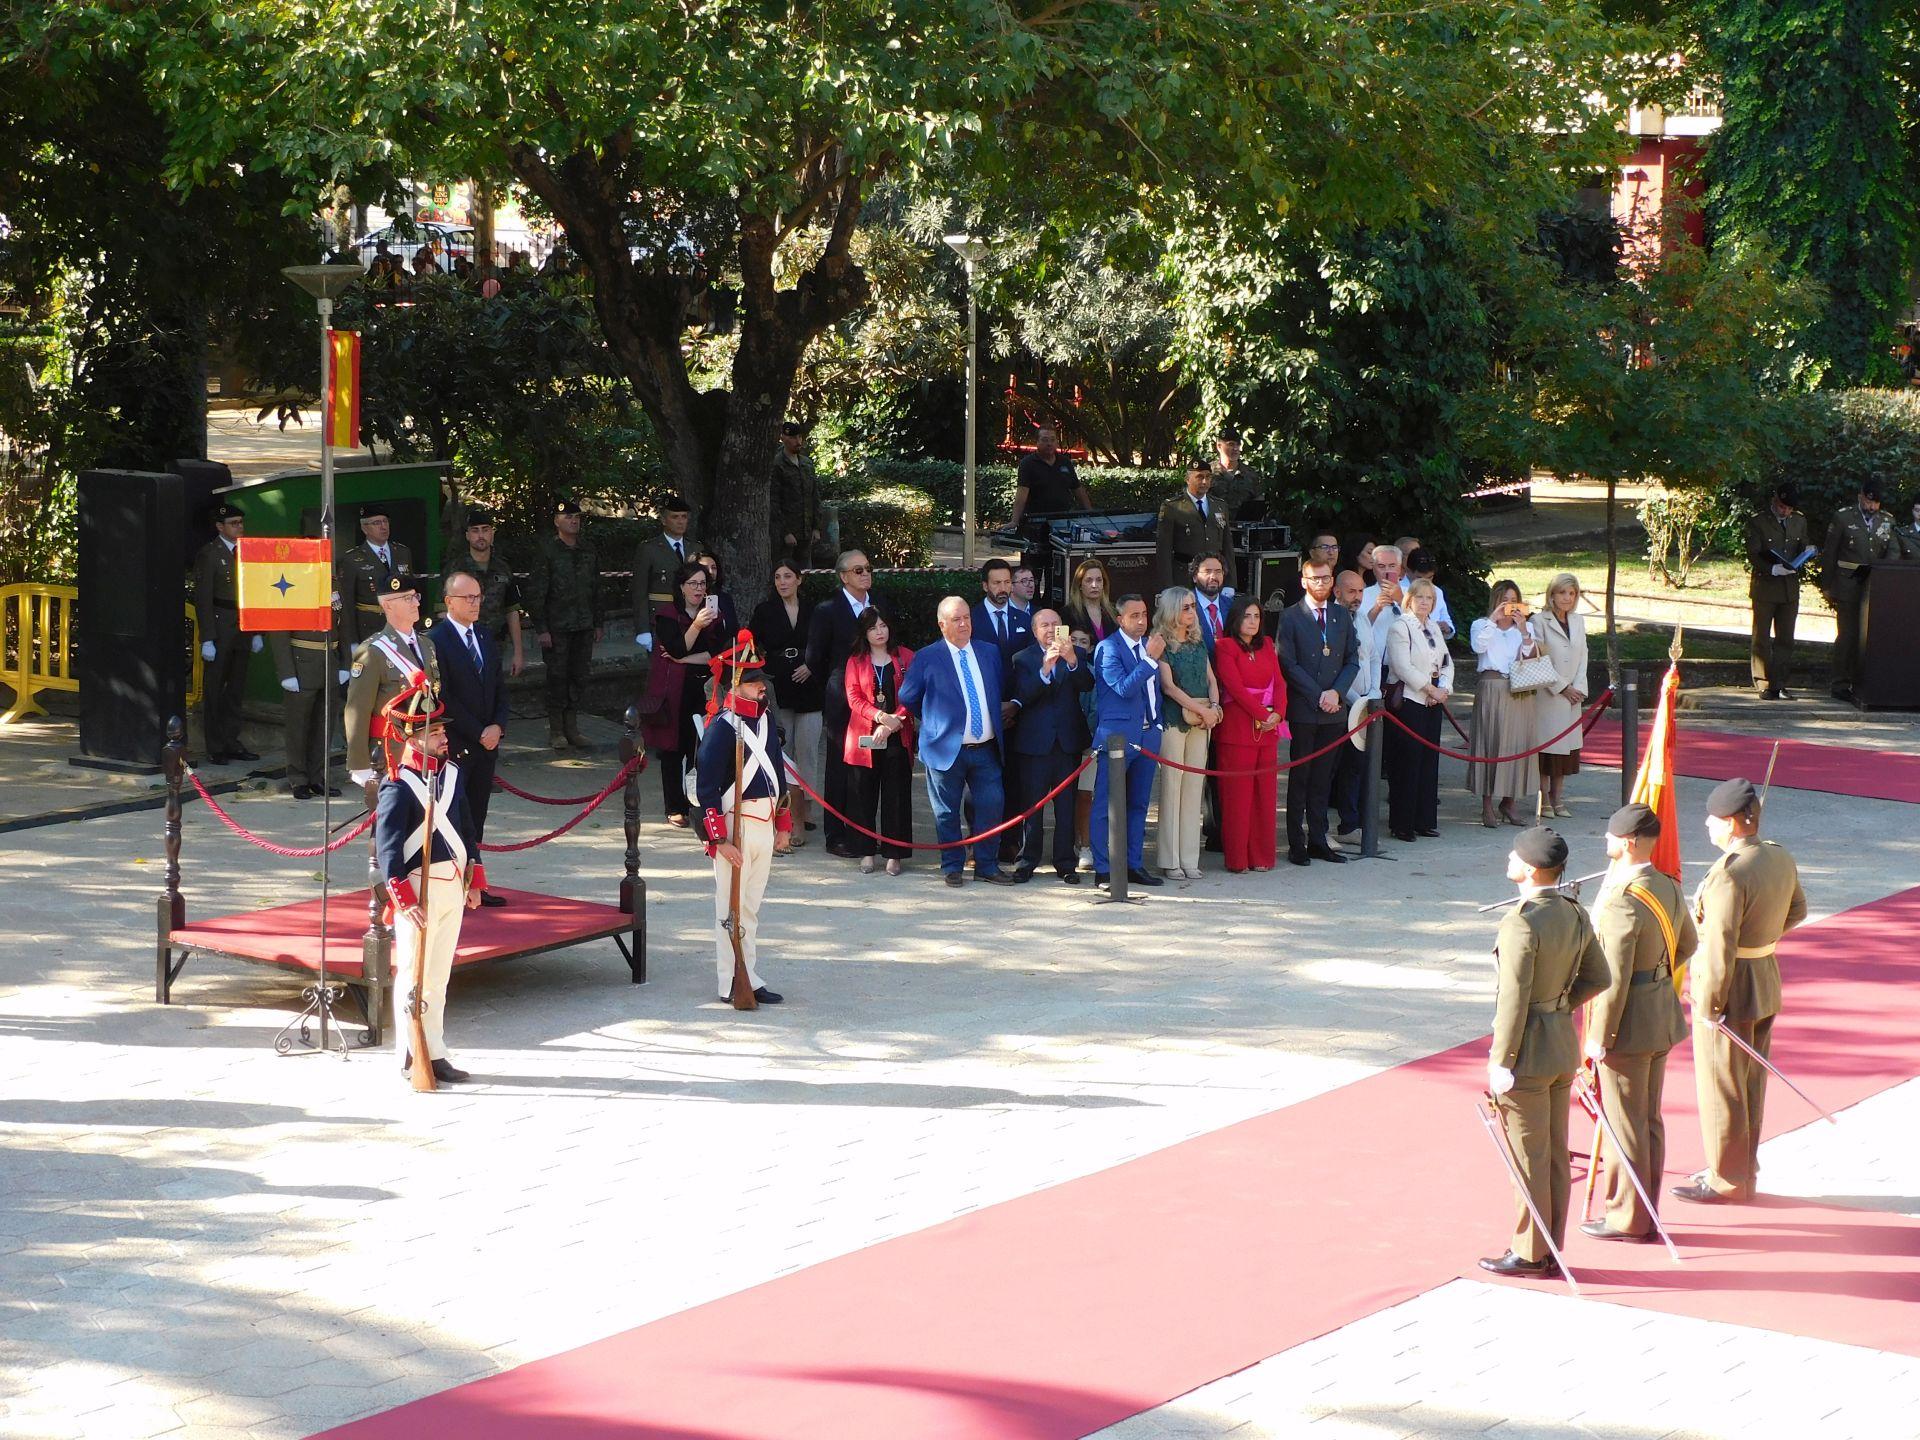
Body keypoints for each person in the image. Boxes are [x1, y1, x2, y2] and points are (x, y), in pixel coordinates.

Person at [1480, 825, 1610, 1279]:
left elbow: (1513, 999)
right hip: (1559, 1044)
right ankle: (1551, 1243)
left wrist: (1501, 1059)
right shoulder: (1574, 913)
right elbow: (1598, 977)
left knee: (1530, 1155)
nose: (1510, 860)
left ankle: (1531, 1252)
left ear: (1531, 870)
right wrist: (1557, 1008)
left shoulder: (1521, 921)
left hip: (1528, 1053)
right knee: (1553, 1153)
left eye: (1516, 856)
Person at [1673, 777, 1807, 1205]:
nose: (1707, 826)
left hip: (1731, 988)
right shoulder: (1778, 858)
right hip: (1764, 976)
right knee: (1750, 1084)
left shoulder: (1730, 874)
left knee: (1723, 1087)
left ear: (1732, 824)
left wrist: (1709, 1004)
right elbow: (1798, 910)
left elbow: (1718, 947)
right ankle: (1743, 1169)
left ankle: (1726, 1179)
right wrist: (1763, 939)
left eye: (1713, 820)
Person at [1581, 803, 1694, 1243]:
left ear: (1627, 843)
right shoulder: (1665, 885)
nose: (1605, 842)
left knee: (1624, 1123)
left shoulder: (1620, 901)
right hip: (1660, 1013)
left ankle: (1627, 1217)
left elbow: (1612, 978)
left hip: (1627, 1024)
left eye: (1610, 836)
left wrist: (1598, 1038)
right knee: (1648, 1120)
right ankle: (1647, 1210)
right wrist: (1656, 978)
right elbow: (1688, 943)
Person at [374, 686, 484, 1086]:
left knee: (438, 974)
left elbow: (467, 831)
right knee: (412, 974)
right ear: (414, 736)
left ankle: (434, 1050)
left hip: (452, 884)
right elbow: (387, 850)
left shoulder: (450, 775)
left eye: (441, 730)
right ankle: (410, 1051)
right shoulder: (397, 785)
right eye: (435, 732)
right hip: (418, 890)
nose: (444, 738)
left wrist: (476, 878)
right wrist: (403, 900)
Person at [695, 636, 791, 1005]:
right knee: (729, 908)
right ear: (735, 684)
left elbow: (778, 776)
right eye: (754, 682)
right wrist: (720, 840)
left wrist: (782, 825)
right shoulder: (722, 727)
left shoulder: (765, 721)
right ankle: (729, 981)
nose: (761, 686)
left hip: (764, 823)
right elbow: (706, 789)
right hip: (735, 825)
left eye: (762, 680)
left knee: (750, 906)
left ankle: (750, 974)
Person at [897, 597, 1017, 887]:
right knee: (946, 811)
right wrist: (935, 721)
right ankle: (952, 865)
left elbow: (997, 688)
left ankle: (987, 865)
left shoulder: (988, 652)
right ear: (942, 624)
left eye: (967, 618)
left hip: (986, 748)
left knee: (992, 805)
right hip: (945, 749)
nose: (964, 624)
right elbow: (908, 697)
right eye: (956, 620)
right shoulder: (927, 656)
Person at [429, 571, 509, 906]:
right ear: (449, 601)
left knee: (477, 816)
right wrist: (478, 731)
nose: (475, 603)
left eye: (478, 597)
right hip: (459, 742)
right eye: (468, 598)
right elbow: (443, 694)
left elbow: (499, 686)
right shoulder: (436, 639)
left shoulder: (485, 635)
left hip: (487, 743)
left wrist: (498, 726)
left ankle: (475, 883)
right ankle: (451, 886)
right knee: (454, 817)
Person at [807, 550, 892, 857]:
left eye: (868, 568)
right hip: (843, 699)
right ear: (843, 576)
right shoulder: (827, 609)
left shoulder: (879, 601)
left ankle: (864, 834)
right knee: (840, 767)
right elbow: (814, 659)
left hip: (880, 696)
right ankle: (836, 835)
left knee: (871, 767)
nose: (865, 574)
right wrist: (837, 688)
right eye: (858, 570)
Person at [1276, 559, 1360, 866]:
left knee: (1324, 779)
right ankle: (1296, 842)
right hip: (1305, 709)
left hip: (1334, 710)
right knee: (1301, 778)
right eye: (1315, 578)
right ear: (1304, 581)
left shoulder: (1340, 615)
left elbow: (1352, 658)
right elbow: (1288, 663)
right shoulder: (1290, 616)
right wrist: (1318, 694)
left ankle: (1318, 839)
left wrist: (1336, 692)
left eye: (1326, 578)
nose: (1321, 583)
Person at [1087, 594, 1166, 890]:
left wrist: (1157, 724)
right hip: (1118, 738)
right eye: (1134, 615)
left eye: (1144, 614)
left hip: (1148, 736)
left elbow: (1155, 690)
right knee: (1107, 804)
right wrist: (1149, 660)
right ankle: (1104, 869)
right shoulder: (1108, 648)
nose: (1142, 621)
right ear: (1120, 619)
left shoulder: (1149, 646)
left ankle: (1133, 864)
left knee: (1139, 803)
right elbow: (1123, 688)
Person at [1010, 608, 1094, 884]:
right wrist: (1045, 668)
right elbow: (1022, 696)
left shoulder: (1077, 655)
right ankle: (1027, 861)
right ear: (1034, 631)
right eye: (1044, 625)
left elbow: (1087, 684)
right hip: (1034, 745)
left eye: (1055, 624)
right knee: (1032, 807)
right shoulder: (1023, 659)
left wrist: (1070, 661)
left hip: (1066, 744)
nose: (1049, 629)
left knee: (1066, 806)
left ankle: (1065, 862)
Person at [344, 575, 444, 801]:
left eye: (416, 597)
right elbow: (357, 710)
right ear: (387, 604)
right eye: (407, 598)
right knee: (388, 830)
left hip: (425, 748)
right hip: (390, 754)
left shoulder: (427, 645)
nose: (416, 603)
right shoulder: (373, 651)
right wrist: (359, 764)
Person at [642, 560, 723, 826]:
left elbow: (717, 654)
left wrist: (685, 659)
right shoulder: (667, 615)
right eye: (693, 584)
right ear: (681, 587)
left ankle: (696, 802)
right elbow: (675, 648)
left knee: (701, 748)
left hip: (705, 688)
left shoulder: (714, 614)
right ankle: (674, 806)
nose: (699, 589)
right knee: (673, 749)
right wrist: (696, 627)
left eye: (703, 583)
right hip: (675, 691)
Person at [748, 562, 822, 841]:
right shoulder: (765, 611)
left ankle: (808, 810)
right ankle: (783, 810)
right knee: (783, 750)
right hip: (779, 685)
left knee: (808, 751)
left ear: (799, 579)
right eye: (777, 577)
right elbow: (751, 644)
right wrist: (765, 673)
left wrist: (811, 665)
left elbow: (825, 645)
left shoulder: (815, 610)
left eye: (788, 576)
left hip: (809, 686)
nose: (782, 582)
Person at [1213, 592, 1285, 874]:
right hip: (1238, 730)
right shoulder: (1225, 646)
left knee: (1264, 796)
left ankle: (1262, 856)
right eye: (1247, 616)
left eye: (1257, 616)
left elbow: (1279, 682)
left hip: (1268, 730)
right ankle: (1237, 859)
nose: (1253, 621)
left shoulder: (1267, 644)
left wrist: (1278, 713)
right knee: (1237, 798)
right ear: (1236, 619)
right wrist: (1263, 714)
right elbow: (1235, 688)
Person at [1152, 588, 1222, 880]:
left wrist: (1215, 707)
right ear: (1171, 612)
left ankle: (1190, 858)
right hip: (1173, 720)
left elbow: (1211, 678)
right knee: (1172, 786)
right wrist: (1202, 710)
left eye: (1193, 607)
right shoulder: (1162, 644)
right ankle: (1170, 859)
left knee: (1195, 786)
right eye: (1185, 608)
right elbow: (1168, 687)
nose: (1192, 612)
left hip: (1202, 720)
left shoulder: (1198, 642)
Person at [525, 499, 603, 750]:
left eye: (577, 517)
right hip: (557, 627)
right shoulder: (547, 551)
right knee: (557, 677)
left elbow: (596, 588)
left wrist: (598, 622)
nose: (574, 521)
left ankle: (573, 727)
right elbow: (537, 591)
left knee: (579, 675)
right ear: (557, 521)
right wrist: (541, 628)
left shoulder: (588, 549)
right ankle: (556, 729)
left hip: (583, 624)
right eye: (568, 517)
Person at [843, 609, 916, 874]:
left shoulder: (905, 656)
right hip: (865, 737)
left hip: (897, 735)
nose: (880, 631)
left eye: (883, 625)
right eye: (873, 628)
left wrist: (894, 721)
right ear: (864, 633)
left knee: (896, 795)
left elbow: (913, 694)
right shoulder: (856, 660)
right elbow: (853, 698)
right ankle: (865, 851)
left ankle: (894, 853)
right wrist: (881, 717)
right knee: (863, 795)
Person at [1383, 578, 1453, 843]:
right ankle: (1402, 823)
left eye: (1430, 598)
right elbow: (1402, 666)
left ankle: (1424, 820)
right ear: (1409, 599)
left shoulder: (1433, 627)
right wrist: (1429, 689)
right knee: (1407, 763)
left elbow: (1446, 662)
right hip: (1410, 701)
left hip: (1433, 701)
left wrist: (1443, 687)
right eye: (1420, 597)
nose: (1425, 602)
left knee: (1428, 761)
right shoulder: (1401, 627)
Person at [192, 502, 262, 764]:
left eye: (241, 522)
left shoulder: (249, 551)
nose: (240, 527)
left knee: (236, 688)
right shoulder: (210, 554)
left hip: (243, 624)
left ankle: (232, 741)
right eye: (234, 523)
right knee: (215, 688)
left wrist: (257, 631)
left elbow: (256, 592)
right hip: (221, 624)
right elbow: (204, 598)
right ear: (220, 527)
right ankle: (215, 746)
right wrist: (207, 637)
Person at [1469, 580, 1543, 828]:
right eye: (1505, 600)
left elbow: (1531, 657)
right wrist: (1494, 619)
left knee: (1515, 745)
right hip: (1492, 687)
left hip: (1518, 688)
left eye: (1514, 599)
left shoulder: (1527, 627)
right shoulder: (1481, 624)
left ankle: (1509, 801)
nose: (1510, 605)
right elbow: (1478, 646)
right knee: (1490, 743)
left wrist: (1523, 630)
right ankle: (1487, 803)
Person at [1819, 479, 1897, 702]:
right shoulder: (1843, 517)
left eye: (1876, 504)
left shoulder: (1887, 521)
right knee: (1848, 635)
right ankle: (1840, 683)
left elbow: (1892, 552)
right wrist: (1827, 585)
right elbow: (1830, 553)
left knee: (1870, 637)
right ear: (1860, 496)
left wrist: (1885, 575)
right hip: (1847, 585)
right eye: (1868, 501)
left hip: (1874, 587)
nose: (1872, 507)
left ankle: (1863, 681)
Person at [1530, 573, 1589, 819]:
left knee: (1565, 751)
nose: (1567, 598)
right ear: (1552, 594)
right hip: (1549, 695)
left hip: (1572, 696)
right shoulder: (1539, 620)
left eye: (1571, 593)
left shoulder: (1578, 621)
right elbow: (1538, 659)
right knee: (1547, 750)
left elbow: (1584, 655)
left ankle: (1559, 799)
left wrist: (1578, 687)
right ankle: (1543, 799)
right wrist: (1563, 687)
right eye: (1562, 592)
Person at [1744, 482, 1809, 700]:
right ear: (1775, 501)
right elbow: (1753, 553)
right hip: (1766, 586)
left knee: (1786, 638)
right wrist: (1771, 568)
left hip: (1789, 587)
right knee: (1762, 636)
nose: (1785, 512)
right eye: (1782, 507)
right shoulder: (1758, 522)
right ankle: (1763, 683)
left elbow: (1803, 545)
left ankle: (1779, 684)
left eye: (1789, 509)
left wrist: (1808, 553)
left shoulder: (1799, 521)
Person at [446, 508, 526, 679]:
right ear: (467, 535)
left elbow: (512, 611)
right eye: (475, 531)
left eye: (485, 530)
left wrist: (518, 653)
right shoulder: (456, 569)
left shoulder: (503, 568)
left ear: (492, 534)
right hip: (464, 645)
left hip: (495, 644)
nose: (480, 535)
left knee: (493, 693)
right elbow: (443, 610)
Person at [1331, 568, 1373, 842]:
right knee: (1334, 768)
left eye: (1360, 591)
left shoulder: (1363, 619)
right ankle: (1327, 826)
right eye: (1351, 591)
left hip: (1365, 701)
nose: (1357, 597)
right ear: (1337, 592)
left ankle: (1351, 824)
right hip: (1342, 703)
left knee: (1357, 765)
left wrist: (1373, 693)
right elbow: (1334, 667)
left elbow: (1372, 656)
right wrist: (1356, 700)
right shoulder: (1331, 619)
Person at [631, 495, 698, 652]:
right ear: (663, 520)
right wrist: (643, 629)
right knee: (662, 672)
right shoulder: (649, 550)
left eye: (684, 517)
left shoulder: (695, 548)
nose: (681, 521)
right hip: (661, 618)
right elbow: (639, 591)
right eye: (675, 517)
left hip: (691, 618)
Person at [1155, 458, 1234, 592]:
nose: (1204, 482)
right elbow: (1164, 550)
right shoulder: (1173, 507)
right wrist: (1167, 586)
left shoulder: (1219, 505)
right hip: (1184, 577)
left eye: (1208, 477)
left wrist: (1230, 583)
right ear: (1187, 479)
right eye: (1199, 477)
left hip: (1213, 578)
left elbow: (1227, 546)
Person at [339, 504, 412, 645]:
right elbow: (347, 605)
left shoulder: (402, 552)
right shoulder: (352, 559)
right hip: (370, 630)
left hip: (401, 627)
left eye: (385, 522)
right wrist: (353, 642)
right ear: (364, 528)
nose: (383, 527)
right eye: (376, 523)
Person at [1007, 424, 1094, 529]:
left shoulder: (1065, 462)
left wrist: (1091, 516)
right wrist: (1014, 521)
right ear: (1037, 442)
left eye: (1052, 440)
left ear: (1056, 442)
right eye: (1045, 440)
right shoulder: (1028, 464)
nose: (1049, 444)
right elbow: (1021, 494)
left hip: (1063, 520)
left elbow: (1078, 489)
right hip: (1037, 521)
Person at [972, 558, 1032, 689]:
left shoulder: (1025, 619)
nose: (1003, 588)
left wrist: (1018, 701)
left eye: (1007, 582)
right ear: (985, 586)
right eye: (997, 583)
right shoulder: (971, 620)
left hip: (1019, 698)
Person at [770, 422, 822, 568]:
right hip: (785, 536)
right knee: (784, 572)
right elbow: (774, 501)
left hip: (806, 533)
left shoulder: (807, 464)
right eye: (793, 438)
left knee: (806, 574)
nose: (798, 442)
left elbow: (814, 496)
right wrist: (785, 532)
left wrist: (816, 527)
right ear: (783, 438)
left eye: (799, 437)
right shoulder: (777, 464)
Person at [1209, 428, 1265, 520]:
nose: (1235, 448)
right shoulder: (1207, 474)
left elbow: (1258, 505)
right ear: (1219, 446)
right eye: (1231, 444)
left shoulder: (1251, 475)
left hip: (1243, 531)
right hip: (1213, 530)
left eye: (1238, 444)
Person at [1063, 555, 1121, 645]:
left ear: (1103, 584)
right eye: (1088, 580)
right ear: (1080, 585)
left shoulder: (1114, 611)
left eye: (1099, 580)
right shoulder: (1067, 614)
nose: (1094, 585)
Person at [1404, 547, 1455, 639]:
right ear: (1408, 571)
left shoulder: (1437, 591)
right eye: (1419, 578)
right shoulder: (1399, 590)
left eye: (1430, 577)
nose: (1426, 583)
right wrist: (1432, 626)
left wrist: (1447, 628)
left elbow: (1447, 620)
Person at [1189, 553, 1234, 655]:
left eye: (1218, 572)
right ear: (1195, 577)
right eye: (1207, 572)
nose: (1213, 577)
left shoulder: (1232, 606)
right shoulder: (1183, 606)